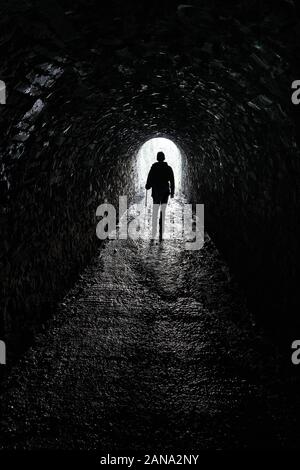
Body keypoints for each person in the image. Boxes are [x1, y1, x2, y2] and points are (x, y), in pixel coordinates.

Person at [145, 151, 175, 240]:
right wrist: (172, 192)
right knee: (163, 211)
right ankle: (161, 233)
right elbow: (172, 181)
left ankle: (154, 232)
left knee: (155, 211)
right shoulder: (169, 168)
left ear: (157, 158)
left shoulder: (154, 167)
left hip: (156, 192)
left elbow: (149, 179)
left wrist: (148, 186)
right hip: (165, 192)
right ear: (164, 158)